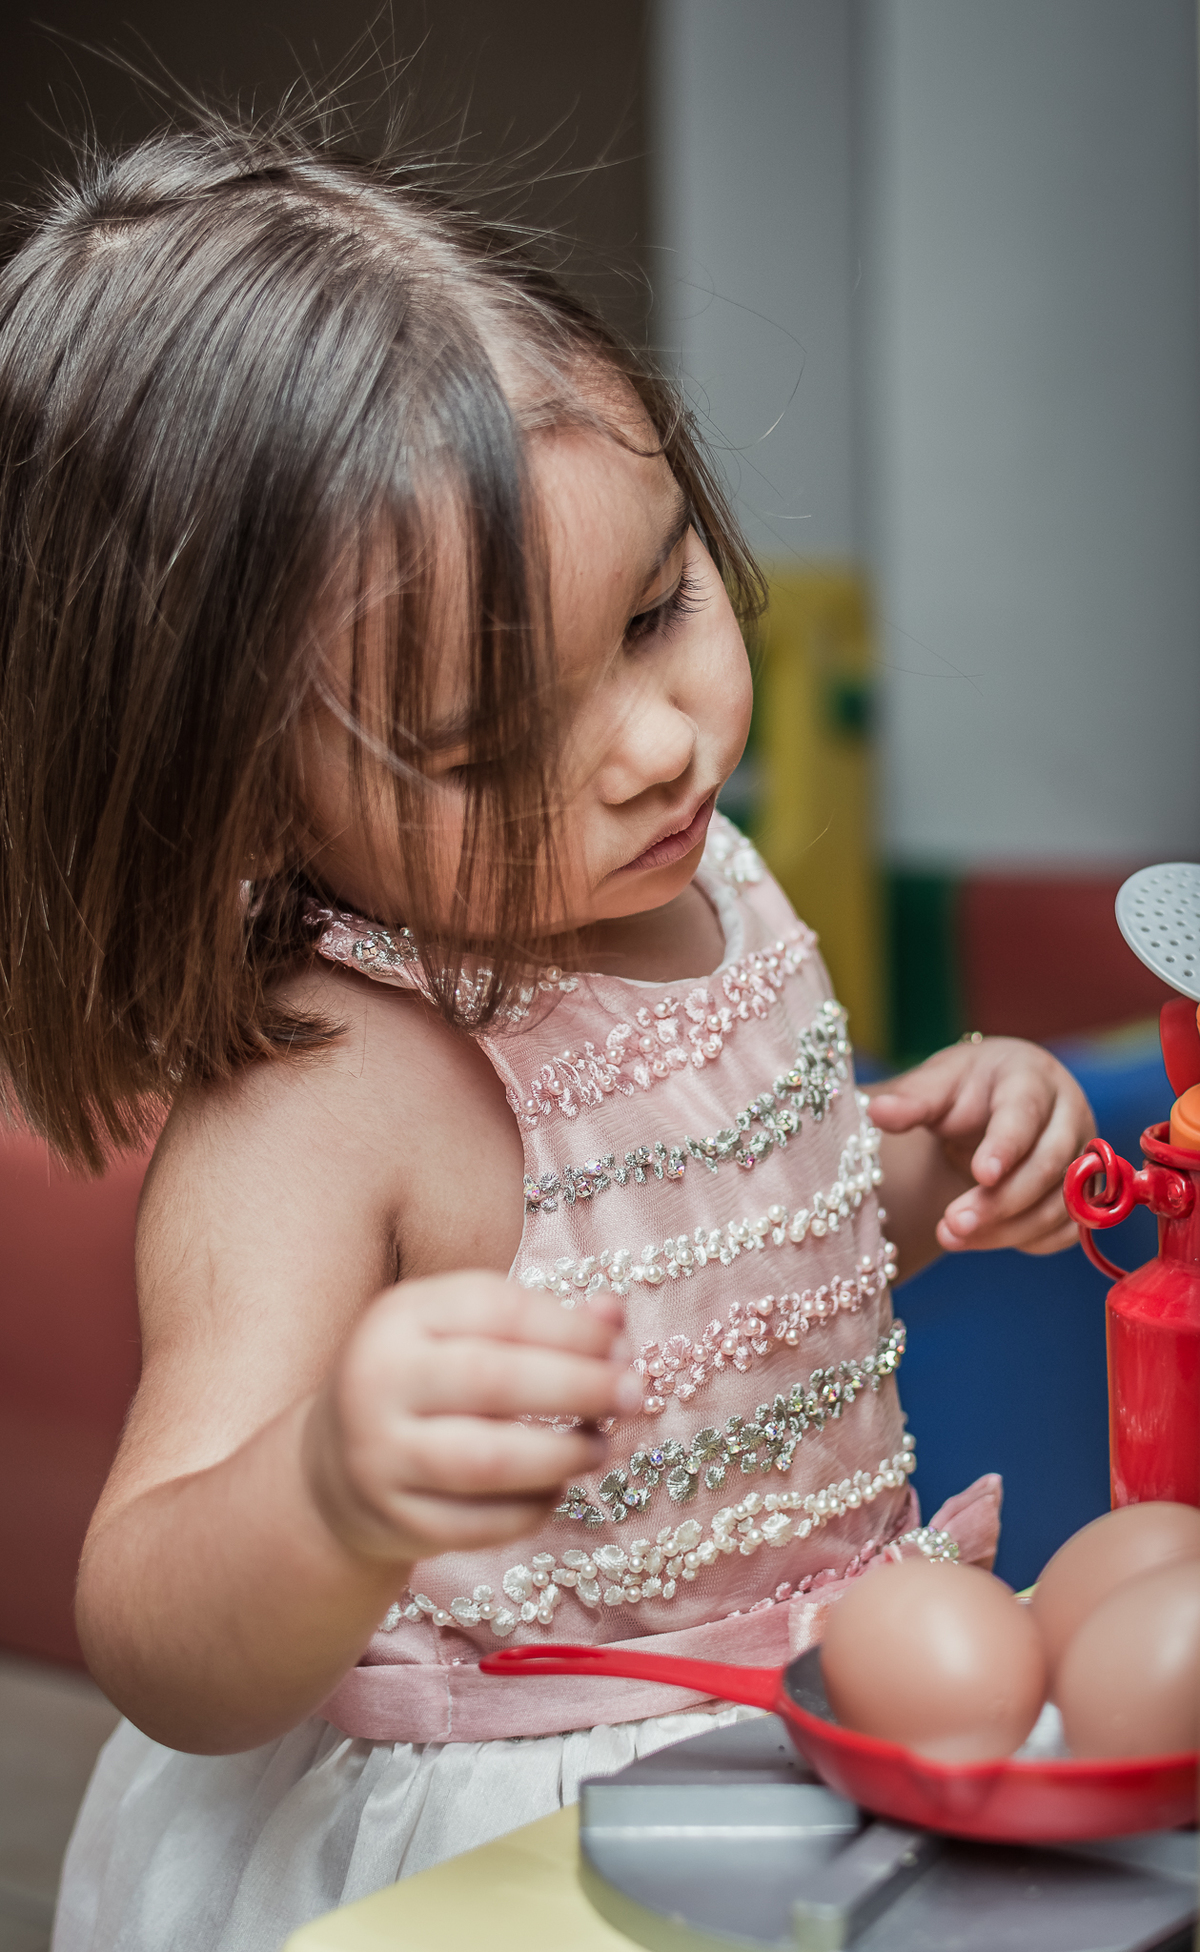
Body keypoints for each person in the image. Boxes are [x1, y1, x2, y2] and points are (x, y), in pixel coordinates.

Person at [0, 117, 1093, 1952]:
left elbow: (733, 1266)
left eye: (657, 609)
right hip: (525, 1834)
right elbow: (154, 1633)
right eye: (490, 738)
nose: (657, 744)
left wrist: (945, 1162)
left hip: (819, 1734)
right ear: (241, 790)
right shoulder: (327, 1095)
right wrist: (329, 1487)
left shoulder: (708, 873)